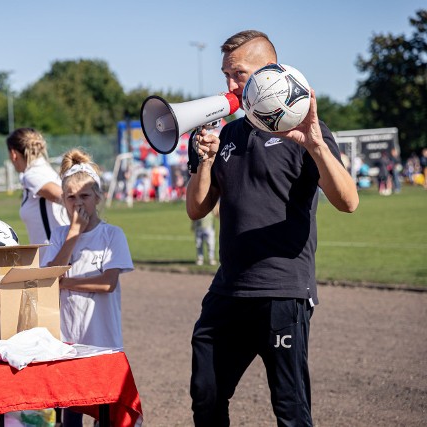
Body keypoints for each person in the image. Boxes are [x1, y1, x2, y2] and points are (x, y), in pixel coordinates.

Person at [186, 30, 359, 426]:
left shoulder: (304, 129)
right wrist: (206, 161)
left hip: (283, 291)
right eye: (225, 75)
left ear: (268, 72)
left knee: (290, 408)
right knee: (206, 394)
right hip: (228, 289)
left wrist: (314, 143)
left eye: (238, 75)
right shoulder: (224, 135)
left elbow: (348, 201)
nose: (229, 85)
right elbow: (197, 209)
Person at [41, 148, 134, 427]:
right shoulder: (59, 235)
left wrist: (66, 282)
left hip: (102, 341)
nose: (77, 202)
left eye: (84, 196)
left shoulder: (111, 235)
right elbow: (47, 280)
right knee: (71, 414)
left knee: (104, 413)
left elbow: (108, 282)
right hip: (68, 341)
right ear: (63, 201)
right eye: (71, 197)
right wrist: (72, 235)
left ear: (97, 197)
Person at [6, 128, 68, 259]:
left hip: (53, 257)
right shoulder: (43, 170)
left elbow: (66, 197)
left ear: (13, 154)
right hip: (57, 254)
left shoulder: (32, 175)